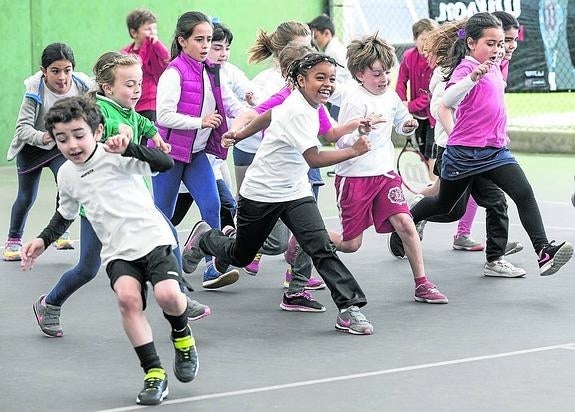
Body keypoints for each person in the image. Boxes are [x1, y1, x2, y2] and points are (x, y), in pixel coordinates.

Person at [21, 96, 198, 406]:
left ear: (98, 132)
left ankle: (182, 336)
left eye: (79, 135)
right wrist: (42, 240)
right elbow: (65, 214)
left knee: (169, 296)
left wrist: (128, 147)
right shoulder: (66, 175)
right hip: (117, 252)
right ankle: (154, 373)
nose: (72, 144)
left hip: (152, 239)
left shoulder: (114, 155)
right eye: (62, 139)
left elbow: (164, 163)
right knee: (128, 301)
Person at [185, 53, 375, 335]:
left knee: (320, 246)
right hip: (261, 193)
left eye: (331, 79)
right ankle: (205, 239)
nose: (327, 84)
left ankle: (349, 308)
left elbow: (269, 115)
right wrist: (353, 151)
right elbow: (313, 158)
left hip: (295, 192)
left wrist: (241, 133)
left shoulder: (305, 104)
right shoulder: (297, 111)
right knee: (240, 255)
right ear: (300, 80)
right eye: (320, 78)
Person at [32, 52, 209, 339]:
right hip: (99, 210)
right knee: (87, 268)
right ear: (107, 88)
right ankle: (50, 303)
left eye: (139, 83)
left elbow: (143, 124)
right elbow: (108, 130)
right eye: (129, 84)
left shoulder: (129, 112)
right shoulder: (100, 113)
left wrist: (157, 139)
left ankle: (180, 295)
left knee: (168, 233)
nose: (137, 90)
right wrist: (121, 137)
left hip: (134, 203)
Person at [389, 13, 573, 277]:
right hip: (463, 153)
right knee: (446, 206)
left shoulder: (497, 66)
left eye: (502, 43)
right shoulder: (465, 68)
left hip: (496, 151)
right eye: (492, 43)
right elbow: (447, 102)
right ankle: (406, 220)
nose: (499, 49)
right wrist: (472, 78)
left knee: (523, 193)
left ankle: (543, 251)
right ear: (472, 43)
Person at [396, 17, 526, 278]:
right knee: (460, 205)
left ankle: (492, 251)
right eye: (499, 41)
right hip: (455, 149)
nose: (505, 46)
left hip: (479, 149)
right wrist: (460, 137)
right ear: (469, 41)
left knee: (483, 201)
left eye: (508, 41)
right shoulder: (448, 69)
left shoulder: (491, 65)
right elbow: (440, 107)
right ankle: (409, 221)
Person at [327, 33, 448, 304]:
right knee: (350, 244)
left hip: (385, 175)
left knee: (406, 223)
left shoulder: (391, 97)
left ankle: (422, 284)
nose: (384, 79)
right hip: (354, 178)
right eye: (377, 73)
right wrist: (360, 130)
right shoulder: (354, 101)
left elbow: (400, 119)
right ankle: (304, 237)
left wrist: (407, 124)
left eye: (387, 73)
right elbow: (341, 140)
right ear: (360, 74)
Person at [153, 11, 247, 289]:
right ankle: (167, 272)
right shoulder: (173, 73)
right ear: (183, 41)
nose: (206, 45)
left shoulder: (212, 71)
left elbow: (231, 105)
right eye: (199, 40)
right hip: (168, 155)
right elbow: (164, 116)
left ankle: (211, 268)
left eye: (209, 40)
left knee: (212, 206)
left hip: (195, 155)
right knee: (162, 215)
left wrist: (252, 120)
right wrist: (201, 121)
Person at [233, 21, 315, 276]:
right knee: (270, 237)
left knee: (307, 225)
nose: (310, 51)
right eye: (303, 47)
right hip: (254, 155)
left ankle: (298, 279)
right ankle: (225, 244)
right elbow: (253, 114)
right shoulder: (267, 82)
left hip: (296, 159)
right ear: (284, 51)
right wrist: (236, 131)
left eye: (311, 44)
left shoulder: (311, 78)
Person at [4, 43, 92, 261]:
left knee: (66, 183)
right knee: (26, 197)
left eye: (67, 70)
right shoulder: (35, 90)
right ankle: (13, 241)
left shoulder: (82, 85)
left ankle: (60, 231)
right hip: (32, 148)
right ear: (43, 71)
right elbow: (22, 128)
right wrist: (44, 136)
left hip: (58, 147)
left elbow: (95, 106)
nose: (62, 77)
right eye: (55, 71)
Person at [396, 18, 439, 179]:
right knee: (424, 154)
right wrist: (401, 105)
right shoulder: (408, 57)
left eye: (430, 39)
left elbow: (431, 94)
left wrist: (410, 106)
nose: (426, 43)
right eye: (422, 39)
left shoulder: (437, 60)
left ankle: (435, 192)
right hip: (417, 116)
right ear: (415, 40)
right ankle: (434, 186)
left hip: (435, 116)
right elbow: (401, 82)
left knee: (432, 152)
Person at [121, 8, 170, 123]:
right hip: (132, 105)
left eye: (154, 28)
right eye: (148, 29)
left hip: (150, 103)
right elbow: (137, 64)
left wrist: (157, 43)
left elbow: (166, 58)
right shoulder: (126, 52)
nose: (153, 32)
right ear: (134, 33)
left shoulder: (155, 47)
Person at [307, 13, 353, 119]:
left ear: (327, 33)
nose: (314, 41)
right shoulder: (333, 49)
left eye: (316, 37)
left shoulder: (333, 51)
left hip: (342, 95)